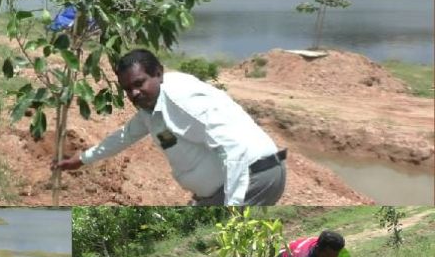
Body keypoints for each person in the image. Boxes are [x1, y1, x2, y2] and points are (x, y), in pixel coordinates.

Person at [53, 49, 286, 205]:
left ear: (159, 73)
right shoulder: (151, 108)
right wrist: (82, 159)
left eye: (139, 83)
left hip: (253, 179)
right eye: (127, 89)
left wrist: (233, 207)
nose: (133, 93)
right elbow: (124, 136)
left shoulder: (180, 99)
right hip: (231, 186)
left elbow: (234, 147)